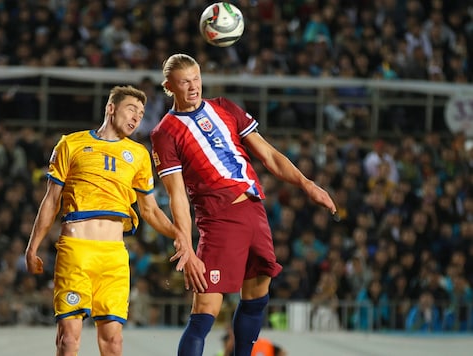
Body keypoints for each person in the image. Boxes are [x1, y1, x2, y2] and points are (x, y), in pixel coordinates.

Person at [150, 53, 337, 356]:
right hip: (219, 218)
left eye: (196, 78)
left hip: (254, 209)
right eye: (185, 82)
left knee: (257, 294)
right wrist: (184, 241)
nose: (194, 86)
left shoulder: (224, 107)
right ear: (170, 85)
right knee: (206, 309)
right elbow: (176, 195)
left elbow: (270, 155)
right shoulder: (165, 133)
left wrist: (307, 183)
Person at [25, 85, 188, 356]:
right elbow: (51, 201)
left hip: (113, 256)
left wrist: (178, 234)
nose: (137, 117)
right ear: (110, 108)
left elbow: (149, 210)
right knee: (68, 340)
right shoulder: (71, 144)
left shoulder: (138, 155)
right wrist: (33, 247)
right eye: (131, 109)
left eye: (141, 113)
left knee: (113, 342)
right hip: (76, 251)